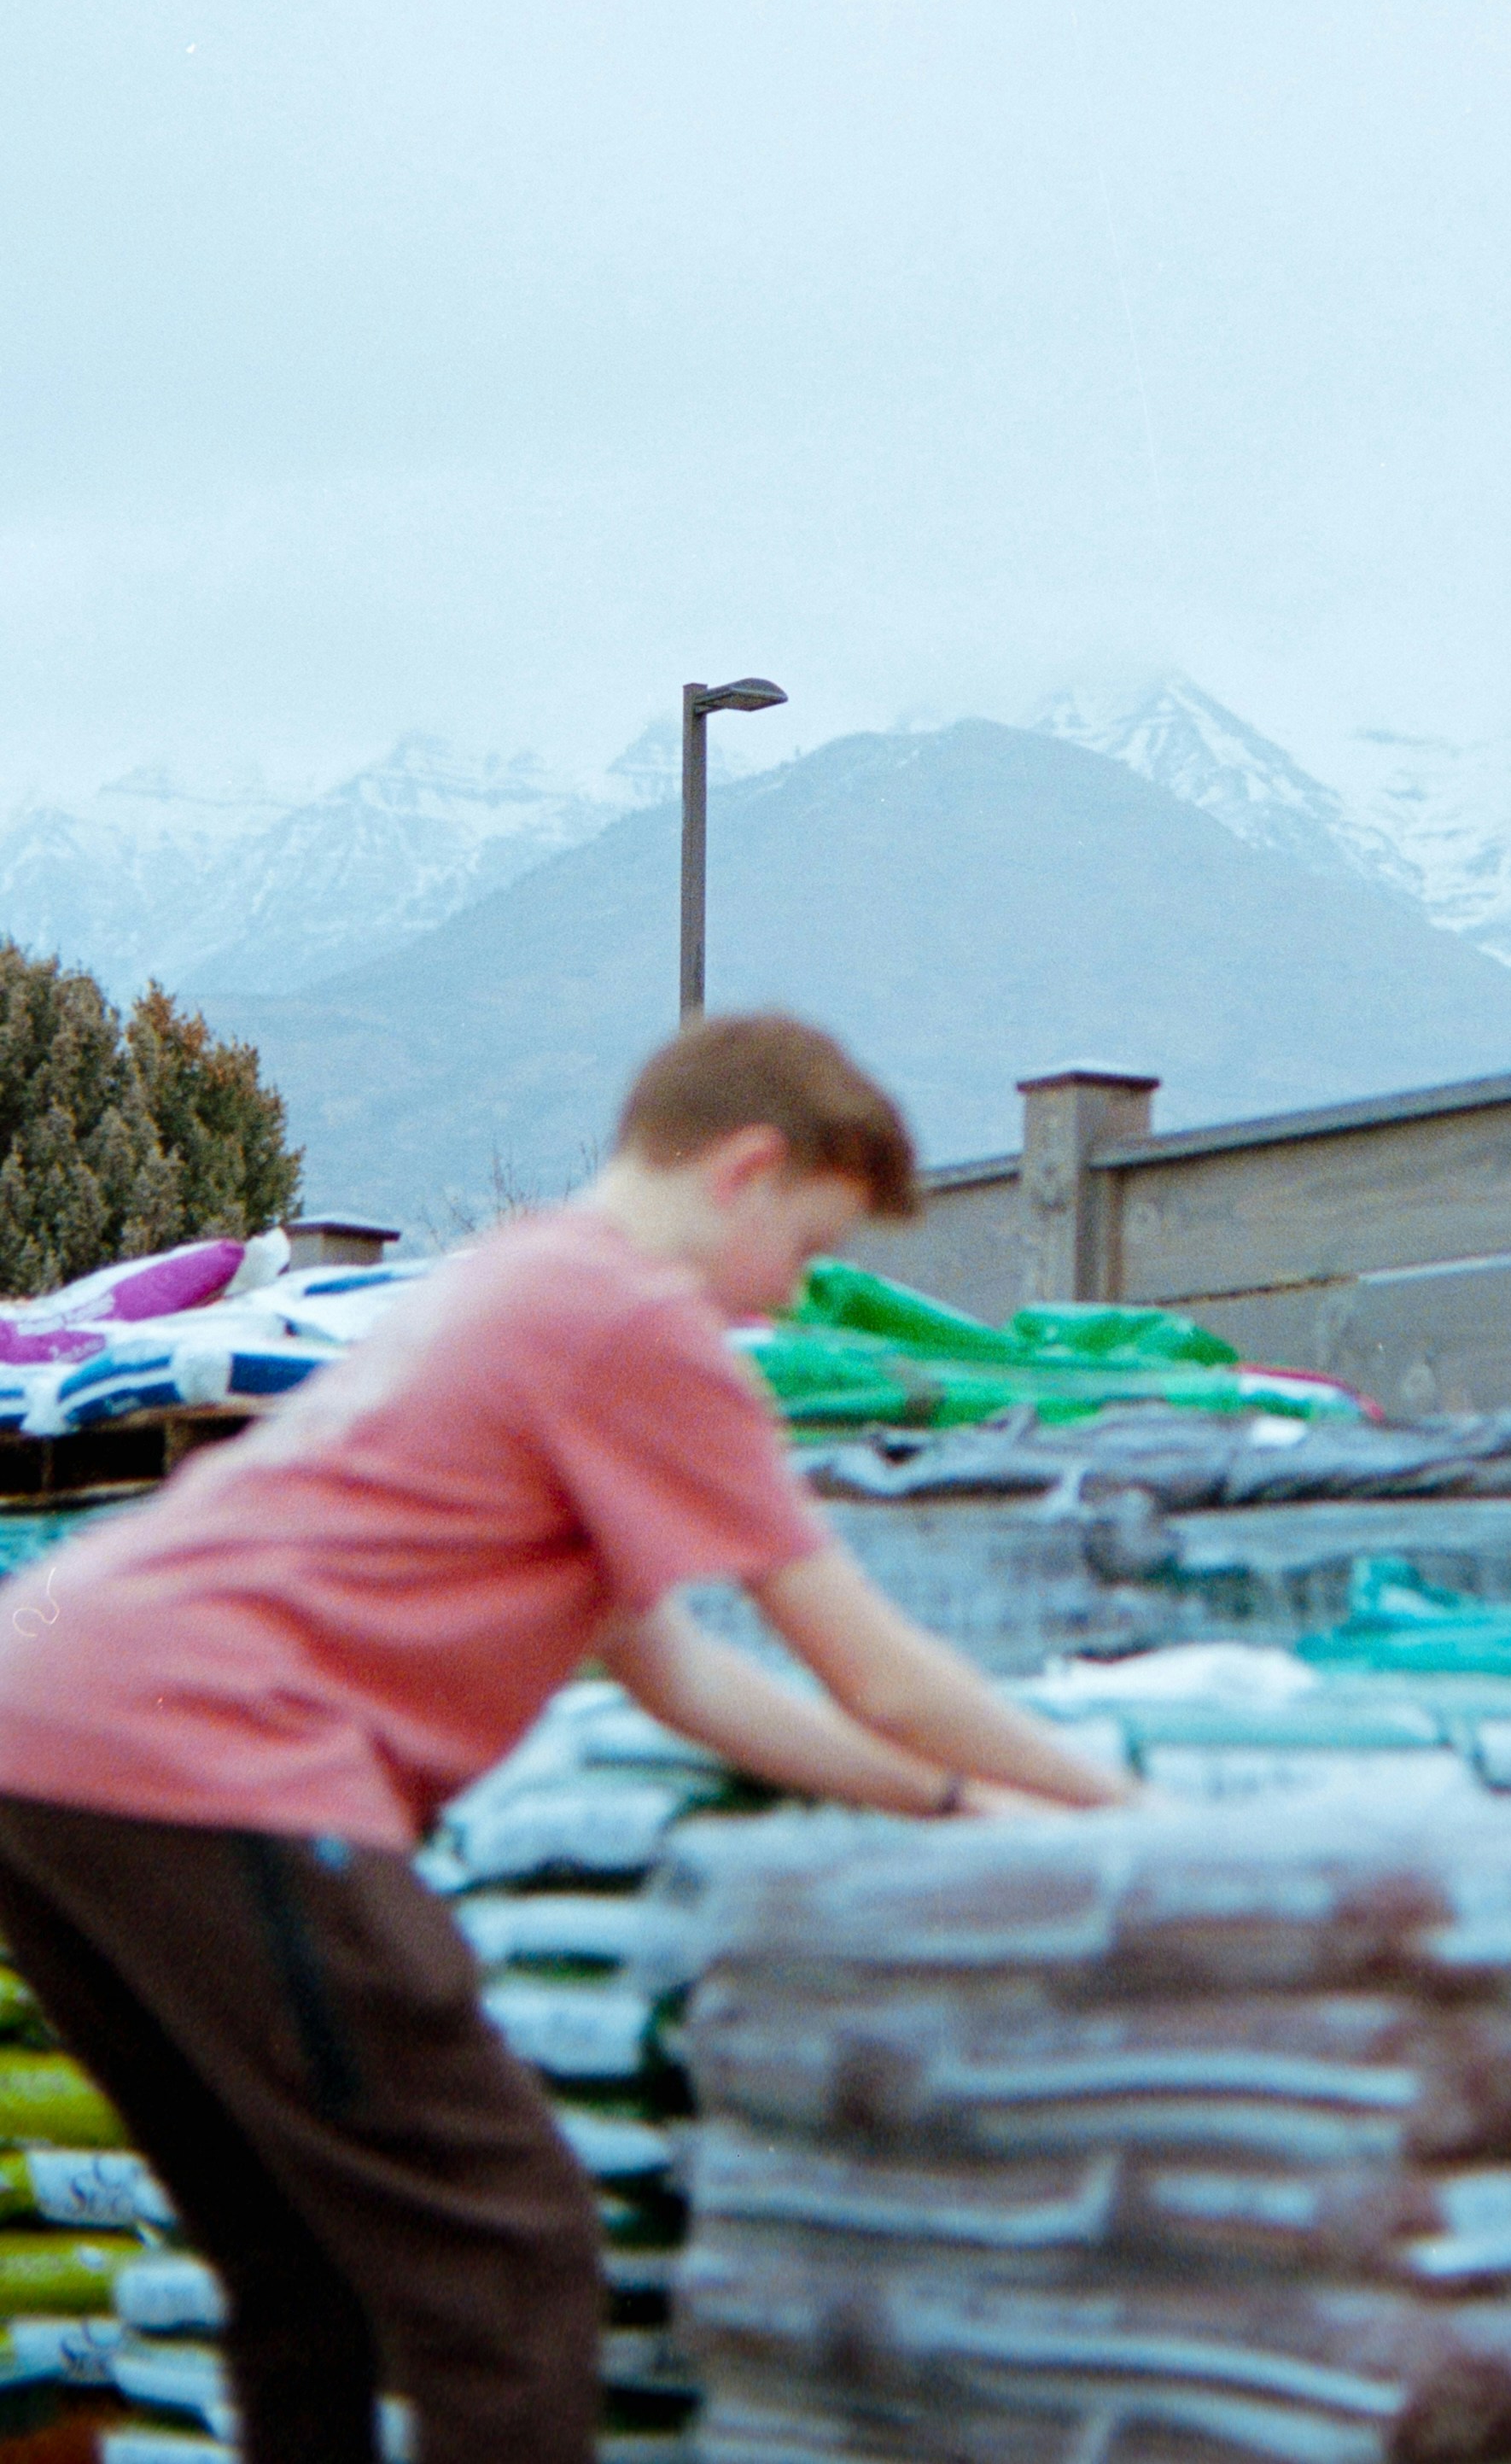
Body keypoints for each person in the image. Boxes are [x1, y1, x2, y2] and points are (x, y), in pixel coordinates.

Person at [0, 1013, 1129, 2464]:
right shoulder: (644, 1326)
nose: (789, 1301)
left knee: (297, 2261)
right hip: (210, 1760)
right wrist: (1111, 1808)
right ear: (746, 1170)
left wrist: (951, 1803)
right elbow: (882, 1672)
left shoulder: (521, 1286)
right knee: (506, 2252)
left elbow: (680, 1680)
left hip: (47, 1731)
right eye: (805, 1251)